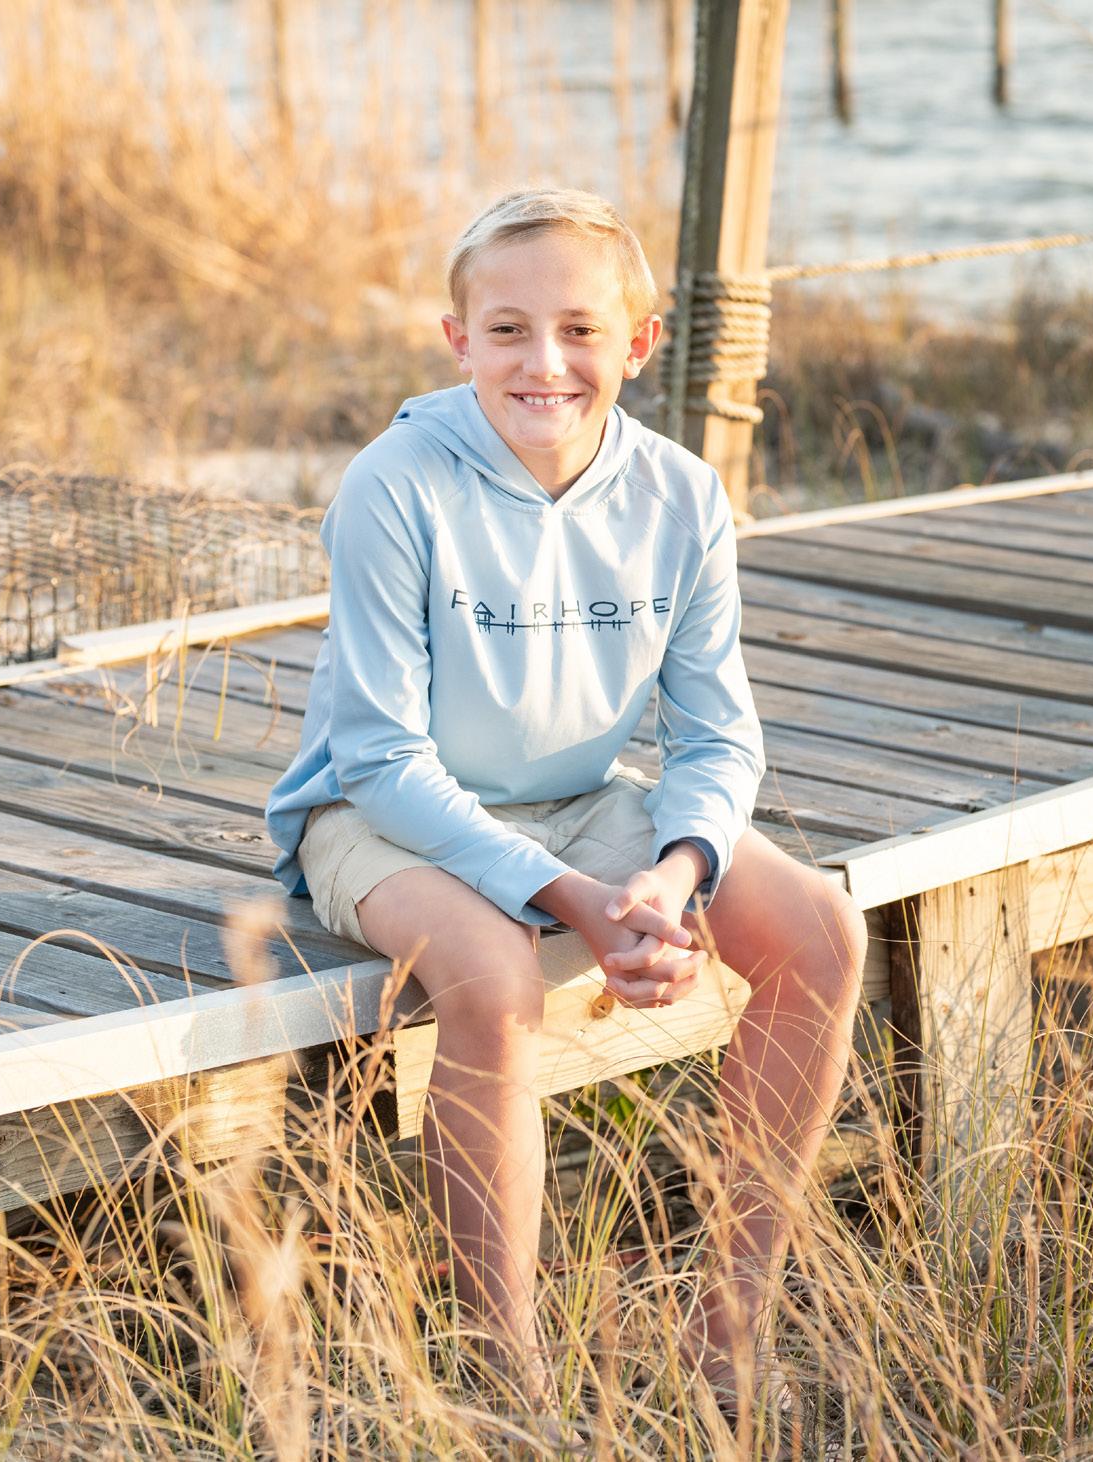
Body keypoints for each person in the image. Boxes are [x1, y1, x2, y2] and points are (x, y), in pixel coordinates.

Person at [265, 187, 868, 1430]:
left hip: (584, 799)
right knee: (495, 978)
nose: (545, 363)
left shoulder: (681, 496)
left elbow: (716, 736)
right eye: (508, 331)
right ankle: (511, 1380)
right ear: (458, 340)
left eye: (581, 330)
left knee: (821, 929)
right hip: (382, 815)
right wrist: (569, 899)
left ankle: (728, 1331)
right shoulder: (395, 485)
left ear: (637, 344)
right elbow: (380, 756)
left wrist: (673, 872)